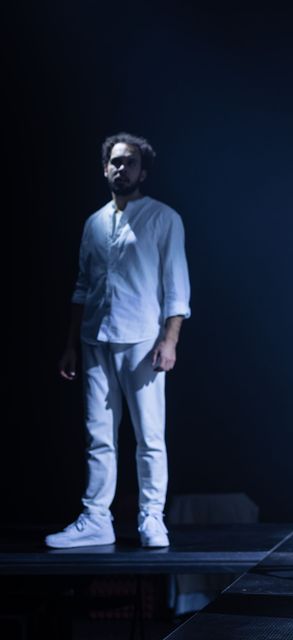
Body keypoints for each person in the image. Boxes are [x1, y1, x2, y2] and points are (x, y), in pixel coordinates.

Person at [46, 133, 191, 549]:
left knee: (149, 435)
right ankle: (96, 518)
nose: (121, 168)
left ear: (142, 172)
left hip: (142, 340)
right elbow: (82, 287)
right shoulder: (94, 222)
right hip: (95, 339)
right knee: (98, 436)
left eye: (129, 163)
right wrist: (71, 344)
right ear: (104, 168)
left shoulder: (163, 218)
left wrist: (170, 340)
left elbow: (177, 286)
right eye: (115, 162)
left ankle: (151, 518)